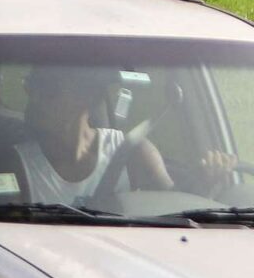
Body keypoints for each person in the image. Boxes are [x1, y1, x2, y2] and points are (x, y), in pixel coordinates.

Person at [11, 66, 187, 205]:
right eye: (31, 87)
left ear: (87, 97)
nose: (35, 98)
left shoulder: (133, 152)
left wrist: (204, 183)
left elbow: (176, 208)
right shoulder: (18, 167)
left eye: (48, 90)